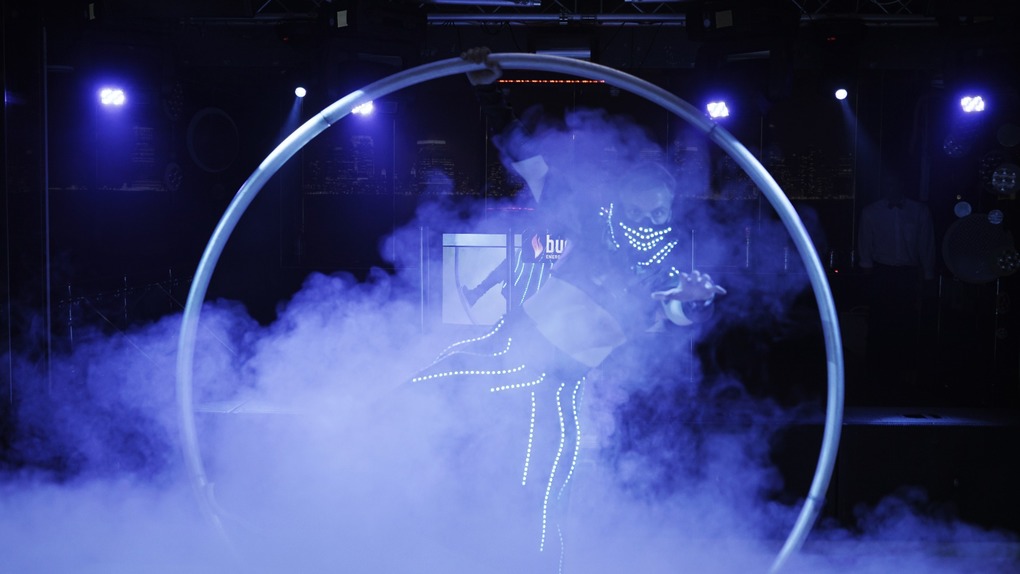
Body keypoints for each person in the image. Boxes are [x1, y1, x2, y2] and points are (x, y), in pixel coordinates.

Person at [408, 48, 726, 571]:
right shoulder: (588, 217)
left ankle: (543, 563)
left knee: (553, 475)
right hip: (516, 342)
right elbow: (526, 158)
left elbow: (672, 314)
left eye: (662, 211)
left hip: (565, 379)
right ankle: (371, 446)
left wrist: (694, 301)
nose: (653, 220)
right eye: (645, 208)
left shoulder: (665, 265)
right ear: (625, 202)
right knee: (443, 380)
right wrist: (488, 90)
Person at [857, 173, 936, 404]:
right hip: (882, 273)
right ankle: (876, 376)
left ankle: (904, 376)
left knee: (905, 324)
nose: (892, 188)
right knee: (879, 324)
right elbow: (865, 244)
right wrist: (867, 272)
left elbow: (926, 244)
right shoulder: (871, 212)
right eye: (889, 184)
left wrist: (928, 275)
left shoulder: (919, 211)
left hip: (907, 274)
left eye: (896, 183)